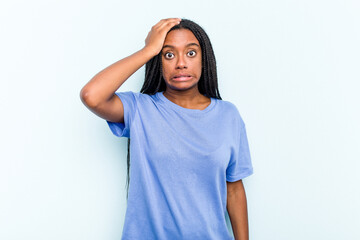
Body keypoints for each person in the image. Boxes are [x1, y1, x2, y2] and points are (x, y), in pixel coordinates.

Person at [80, 18, 253, 240]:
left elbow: (234, 188)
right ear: (157, 61)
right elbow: (91, 96)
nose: (181, 63)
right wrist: (148, 50)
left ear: (204, 58)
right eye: (169, 54)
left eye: (191, 53)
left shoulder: (228, 115)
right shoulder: (140, 109)